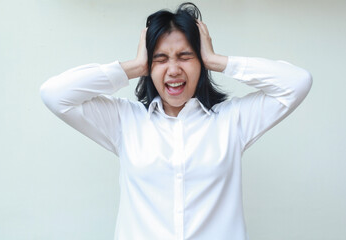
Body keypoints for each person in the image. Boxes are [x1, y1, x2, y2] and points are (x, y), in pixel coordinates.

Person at [40, 2, 312, 240]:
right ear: (149, 67)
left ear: (201, 63)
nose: (173, 70)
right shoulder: (125, 121)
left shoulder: (232, 120)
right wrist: (134, 67)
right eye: (160, 59)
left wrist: (217, 60)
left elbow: (297, 83)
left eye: (185, 56)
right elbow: (55, 94)